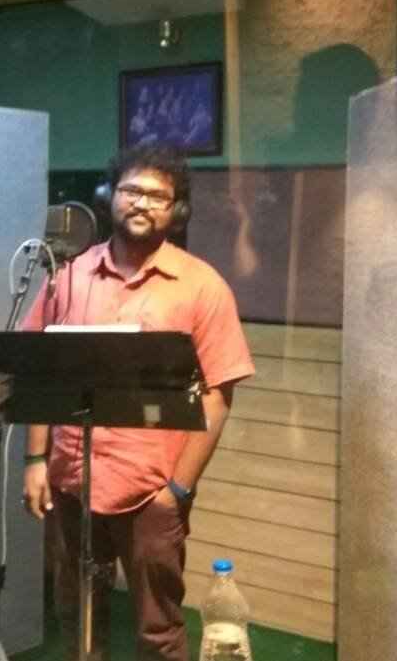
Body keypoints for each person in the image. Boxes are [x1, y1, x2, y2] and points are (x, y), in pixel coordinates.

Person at [21, 144, 254, 661]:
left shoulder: (202, 286)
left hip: (152, 490)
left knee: (157, 629)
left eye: (158, 195)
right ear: (109, 196)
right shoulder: (68, 277)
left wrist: (178, 490)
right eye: (132, 190)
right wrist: (36, 459)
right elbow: (40, 372)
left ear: (177, 209)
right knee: (76, 617)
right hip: (71, 482)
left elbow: (218, 396)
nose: (143, 202)